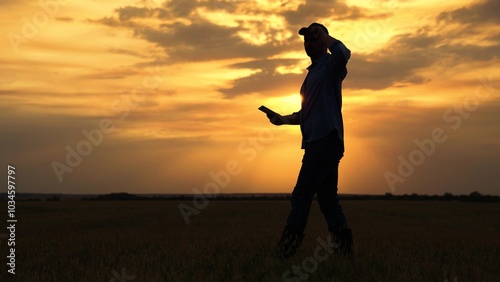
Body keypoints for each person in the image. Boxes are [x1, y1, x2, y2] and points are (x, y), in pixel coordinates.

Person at [266, 23, 353, 258]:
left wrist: (325, 36)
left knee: (302, 195)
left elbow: (344, 53)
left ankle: (287, 250)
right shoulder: (312, 74)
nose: (308, 43)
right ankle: (344, 249)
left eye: (313, 39)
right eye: (306, 40)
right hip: (320, 141)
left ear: (323, 43)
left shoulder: (330, 66)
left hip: (325, 141)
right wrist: (282, 119)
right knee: (327, 199)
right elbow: (306, 113)